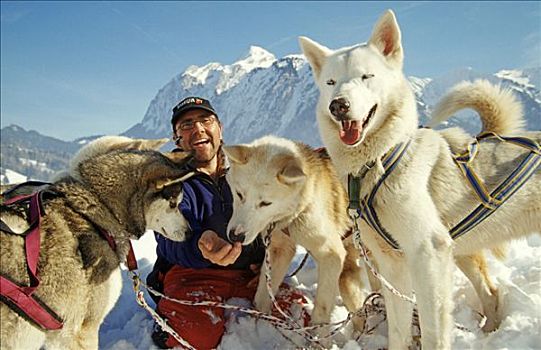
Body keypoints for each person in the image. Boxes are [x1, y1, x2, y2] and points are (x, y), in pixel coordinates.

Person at [148, 97, 310, 349]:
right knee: (197, 336)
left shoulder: (248, 169)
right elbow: (168, 240)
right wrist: (200, 245)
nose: (199, 129)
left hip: (249, 275)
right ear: (177, 138)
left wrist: (267, 266)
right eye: (187, 125)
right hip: (193, 275)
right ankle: (168, 323)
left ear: (220, 128)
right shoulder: (169, 180)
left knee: (301, 319)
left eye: (206, 120)